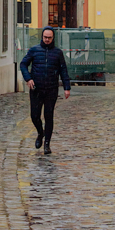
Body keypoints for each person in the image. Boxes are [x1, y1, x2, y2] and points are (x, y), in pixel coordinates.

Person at [19, 26, 71, 154]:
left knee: (49, 116)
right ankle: (40, 133)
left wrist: (67, 87)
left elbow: (63, 70)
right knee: (34, 116)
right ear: (42, 37)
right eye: (45, 37)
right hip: (36, 89)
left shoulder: (58, 53)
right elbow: (23, 64)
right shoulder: (34, 50)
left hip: (51, 89)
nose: (47, 40)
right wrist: (28, 78)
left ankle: (47, 144)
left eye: (49, 38)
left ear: (53, 38)